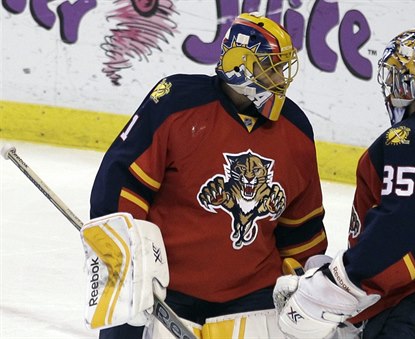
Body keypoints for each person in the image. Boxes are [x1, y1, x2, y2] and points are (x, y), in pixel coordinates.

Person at [82, 12, 328, 338]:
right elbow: (121, 183)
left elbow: (302, 227)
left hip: (250, 299)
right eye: (271, 67)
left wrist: (304, 286)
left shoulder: (296, 131)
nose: (281, 76)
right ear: (242, 65)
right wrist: (125, 259)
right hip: (162, 289)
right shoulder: (177, 103)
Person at [274, 28, 415, 339]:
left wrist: (338, 284)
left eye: (394, 77)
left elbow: (403, 233)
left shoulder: (409, 140)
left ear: (409, 83)